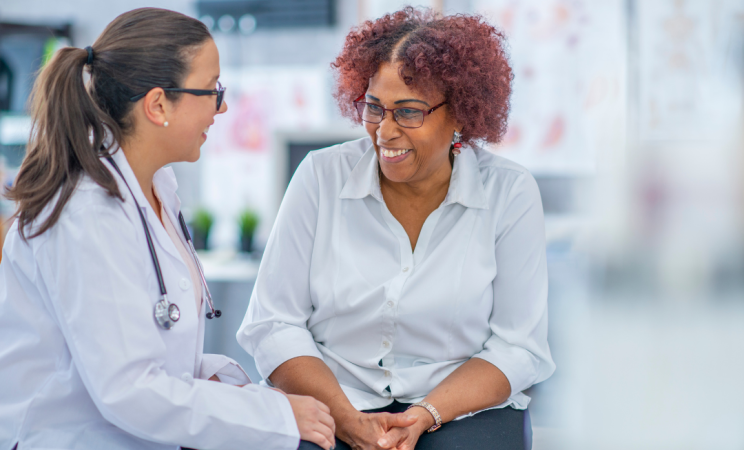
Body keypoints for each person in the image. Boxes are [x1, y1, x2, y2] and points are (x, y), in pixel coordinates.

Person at [0, 8, 335, 450]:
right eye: (213, 89)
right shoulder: (87, 215)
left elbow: (143, 345)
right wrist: (274, 414)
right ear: (158, 105)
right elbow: (130, 390)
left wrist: (230, 386)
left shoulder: (157, 188)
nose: (224, 105)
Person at [238, 7, 555, 450]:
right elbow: (273, 324)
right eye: (373, 107)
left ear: (461, 115)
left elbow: (518, 346)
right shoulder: (320, 177)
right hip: (334, 396)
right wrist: (346, 420)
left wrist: (425, 414)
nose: (384, 131)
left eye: (408, 112)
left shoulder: (509, 193)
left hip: (457, 405)